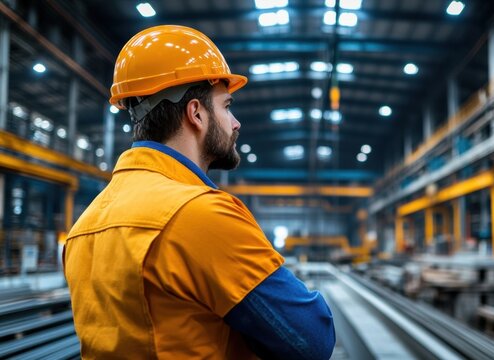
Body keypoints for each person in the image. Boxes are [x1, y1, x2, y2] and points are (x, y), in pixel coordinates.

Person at [63, 25, 335, 359]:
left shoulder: (85, 225)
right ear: (196, 113)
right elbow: (312, 340)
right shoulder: (199, 214)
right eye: (226, 106)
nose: (235, 123)